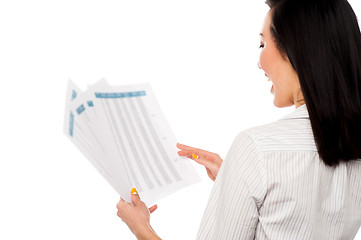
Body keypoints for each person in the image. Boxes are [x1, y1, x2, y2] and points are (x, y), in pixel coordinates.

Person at [116, 0, 361, 239]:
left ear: (296, 49)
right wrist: (238, 181)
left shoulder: (256, 147)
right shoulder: (355, 146)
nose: (259, 62)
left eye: (262, 44)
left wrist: (141, 228)